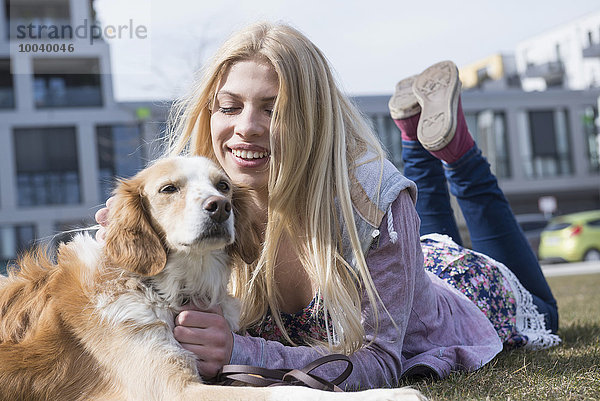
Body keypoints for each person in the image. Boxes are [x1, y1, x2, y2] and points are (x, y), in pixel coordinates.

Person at [96, 22, 559, 389]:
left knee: (541, 306)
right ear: (209, 112)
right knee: (422, 227)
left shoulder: (372, 203)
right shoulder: (198, 197)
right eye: (229, 107)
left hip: (461, 291)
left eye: (273, 110)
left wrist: (241, 350)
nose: (247, 128)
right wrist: (119, 245)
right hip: (415, 258)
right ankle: (412, 133)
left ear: (312, 116)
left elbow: (379, 361)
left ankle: (455, 152)